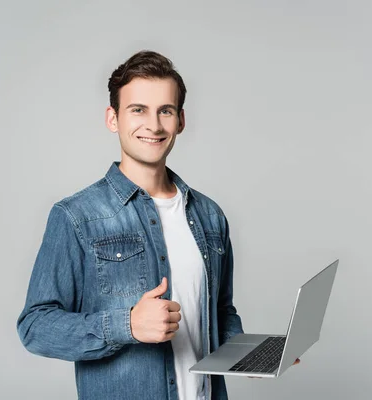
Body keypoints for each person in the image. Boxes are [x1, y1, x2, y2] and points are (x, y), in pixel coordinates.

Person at [17, 50, 245, 400]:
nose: (153, 125)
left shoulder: (210, 216)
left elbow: (219, 313)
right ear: (113, 118)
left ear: (180, 121)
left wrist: (254, 355)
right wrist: (128, 326)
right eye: (138, 110)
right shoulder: (77, 216)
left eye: (165, 111)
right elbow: (35, 327)